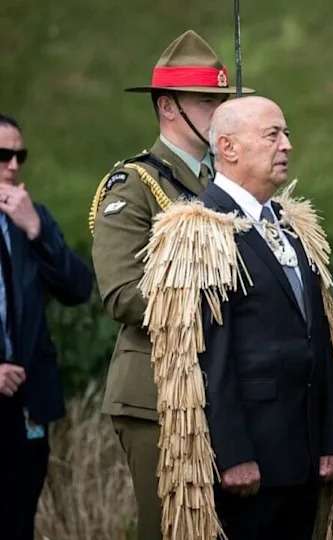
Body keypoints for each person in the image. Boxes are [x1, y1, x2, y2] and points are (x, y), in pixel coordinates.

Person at [90, 30, 252, 540]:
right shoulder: (135, 185)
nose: (220, 115)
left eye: (222, 102)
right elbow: (121, 294)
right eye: (207, 103)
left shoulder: (227, 185)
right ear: (168, 107)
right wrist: (211, 302)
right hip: (157, 394)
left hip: (224, 388)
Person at [181, 96, 333, 539]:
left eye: (287, 133)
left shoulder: (288, 223)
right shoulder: (203, 227)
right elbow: (208, 353)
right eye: (272, 134)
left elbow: (320, 336)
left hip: (305, 451)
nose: (287, 145)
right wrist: (232, 452)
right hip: (252, 456)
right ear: (229, 147)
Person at [0, 114, 93, 540]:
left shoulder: (31, 218)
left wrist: (36, 231)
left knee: (20, 520)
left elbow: (78, 289)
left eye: (21, 154)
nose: (15, 165)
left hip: (25, 404)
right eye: (4, 155)